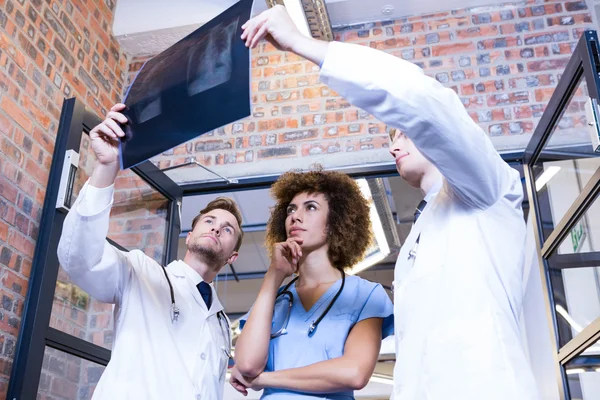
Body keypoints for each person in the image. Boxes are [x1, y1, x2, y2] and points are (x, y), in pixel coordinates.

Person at [240, 6, 540, 400]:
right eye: (391, 137)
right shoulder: (423, 230)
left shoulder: (486, 189)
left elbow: (424, 104)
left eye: (404, 133)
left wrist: (303, 44)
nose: (394, 143)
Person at [57, 103, 243, 399]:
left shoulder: (221, 324)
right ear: (190, 233)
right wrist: (106, 169)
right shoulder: (140, 272)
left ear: (232, 256)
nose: (216, 228)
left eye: (228, 228)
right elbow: (79, 258)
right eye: (209, 221)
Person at [231, 168, 394, 398]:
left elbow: (354, 373)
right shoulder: (273, 299)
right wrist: (274, 275)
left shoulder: (367, 295)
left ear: (336, 221)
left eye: (311, 207)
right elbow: (247, 365)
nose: (295, 216)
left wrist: (265, 379)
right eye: (291, 209)